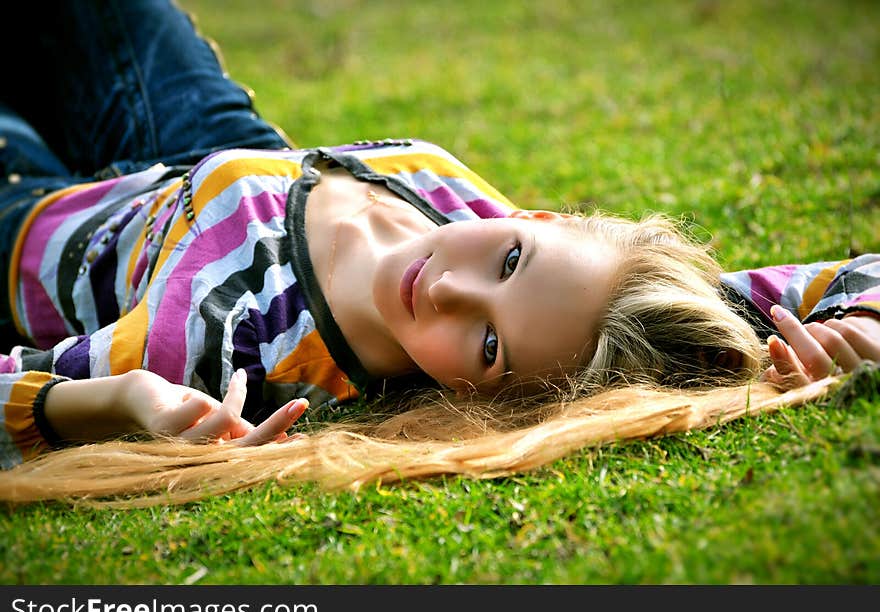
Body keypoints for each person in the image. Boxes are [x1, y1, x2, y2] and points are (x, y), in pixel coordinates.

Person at [0, 0, 877, 506]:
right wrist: (855, 327)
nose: (450, 288)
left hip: (32, 215)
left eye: (489, 346)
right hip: (205, 137)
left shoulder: (233, 339)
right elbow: (848, 277)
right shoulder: (573, 274)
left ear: (474, 398)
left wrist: (120, 396)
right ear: (554, 219)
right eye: (509, 260)